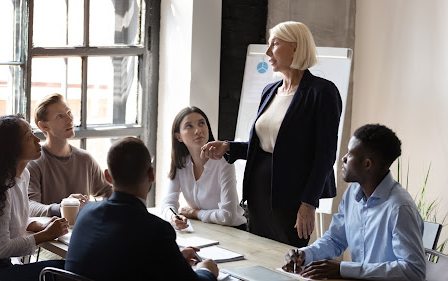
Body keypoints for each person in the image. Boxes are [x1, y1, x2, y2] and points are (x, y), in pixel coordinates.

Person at [201, 21, 342, 247]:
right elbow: (265, 145)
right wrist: (229, 147)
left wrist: (308, 203)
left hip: (292, 196)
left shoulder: (322, 92)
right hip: (258, 191)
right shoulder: (270, 91)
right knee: (258, 254)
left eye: (275, 44)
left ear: (296, 48)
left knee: (288, 260)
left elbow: (325, 155)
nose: (267, 52)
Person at [282, 124, 426, 281]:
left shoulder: (400, 208)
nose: (343, 158)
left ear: (367, 164)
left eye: (349, 154)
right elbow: (335, 239)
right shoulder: (352, 194)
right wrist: (305, 254)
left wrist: (343, 269)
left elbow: (413, 270)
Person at [65, 137, 219, 281]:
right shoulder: (157, 230)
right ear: (151, 174)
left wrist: (173, 258)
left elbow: (119, 259)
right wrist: (206, 271)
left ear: (107, 176)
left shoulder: (85, 213)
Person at [0, 115, 69, 281]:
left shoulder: (23, 174)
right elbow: (1, 249)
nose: (37, 140)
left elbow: (12, 220)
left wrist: (38, 225)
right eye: (28, 136)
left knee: (62, 268)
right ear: (11, 147)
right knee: (61, 270)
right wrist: (45, 235)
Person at [161, 106, 247, 230]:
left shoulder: (224, 161)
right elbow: (168, 202)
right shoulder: (181, 163)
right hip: (205, 229)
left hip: (233, 231)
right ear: (178, 136)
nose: (198, 130)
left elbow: (228, 216)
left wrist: (195, 213)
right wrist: (173, 217)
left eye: (201, 123)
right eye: (189, 126)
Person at [27, 93, 112, 217]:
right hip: (51, 235)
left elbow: (108, 192)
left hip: (83, 232)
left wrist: (96, 212)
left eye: (69, 113)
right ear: (43, 126)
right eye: (59, 116)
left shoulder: (85, 159)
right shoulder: (34, 163)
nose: (70, 120)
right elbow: (29, 206)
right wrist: (62, 207)